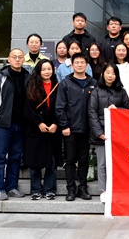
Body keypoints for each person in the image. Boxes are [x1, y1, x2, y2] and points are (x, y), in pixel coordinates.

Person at [0, 47, 29, 201]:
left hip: (21, 125)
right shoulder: (0, 78)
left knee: (15, 158)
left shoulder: (27, 77)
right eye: (14, 57)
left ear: (24, 59)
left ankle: (12, 187)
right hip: (4, 126)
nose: (17, 59)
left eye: (20, 57)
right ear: (9, 59)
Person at [55, 52, 97, 201]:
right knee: (70, 160)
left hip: (87, 129)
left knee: (84, 159)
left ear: (87, 65)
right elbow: (60, 107)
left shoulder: (93, 83)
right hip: (70, 129)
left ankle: (82, 187)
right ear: (72, 65)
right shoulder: (65, 83)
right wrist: (64, 125)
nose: (80, 65)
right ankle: (71, 188)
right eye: (77, 62)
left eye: (82, 62)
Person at [88, 62, 129, 202]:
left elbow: (128, 111)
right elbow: (92, 113)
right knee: (102, 164)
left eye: (113, 73)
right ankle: (103, 190)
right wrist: (98, 132)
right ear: (103, 74)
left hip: (117, 133)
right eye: (107, 73)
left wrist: (118, 110)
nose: (110, 75)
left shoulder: (122, 91)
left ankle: (117, 188)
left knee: (117, 163)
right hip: (101, 133)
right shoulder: (96, 91)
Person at [23, 59, 61, 200]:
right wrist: (38, 123)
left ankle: (50, 189)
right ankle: (36, 189)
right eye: (43, 69)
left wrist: (56, 123)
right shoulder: (31, 85)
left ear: (53, 70)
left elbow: (61, 107)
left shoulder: (58, 86)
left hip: (53, 130)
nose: (46, 72)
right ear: (39, 71)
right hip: (35, 130)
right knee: (34, 162)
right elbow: (27, 108)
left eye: (49, 69)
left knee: (52, 162)